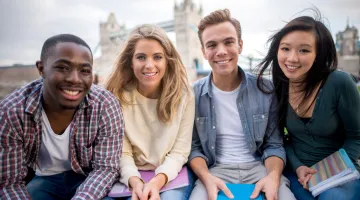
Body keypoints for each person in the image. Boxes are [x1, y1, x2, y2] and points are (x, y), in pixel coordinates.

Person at [0, 34, 124, 200]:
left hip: (88, 178)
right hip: (43, 180)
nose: (74, 79)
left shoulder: (105, 104)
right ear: (41, 68)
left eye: (85, 71)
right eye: (63, 68)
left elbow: (106, 168)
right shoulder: (12, 111)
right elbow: (10, 182)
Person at [189, 9, 295, 200]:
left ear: (240, 45)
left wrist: (273, 177)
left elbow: (274, 145)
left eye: (228, 42)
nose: (221, 51)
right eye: (212, 45)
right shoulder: (192, 95)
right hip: (214, 170)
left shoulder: (266, 89)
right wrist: (206, 178)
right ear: (204, 52)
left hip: (259, 167)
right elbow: (194, 147)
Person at [257, 12, 360, 200]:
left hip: (340, 174)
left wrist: (333, 171)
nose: (292, 58)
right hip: (297, 173)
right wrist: (298, 167)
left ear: (318, 54)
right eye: (285, 48)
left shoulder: (340, 83)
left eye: (304, 50)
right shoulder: (280, 85)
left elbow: (356, 137)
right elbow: (280, 140)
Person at [105, 24, 195, 200]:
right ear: (130, 62)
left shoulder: (184, 95)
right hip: (130, 174)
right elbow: (123, 153)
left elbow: (180, 152)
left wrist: (156, 183)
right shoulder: (117, 96)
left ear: (167, 60)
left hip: (171, 174)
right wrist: (135, 182)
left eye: (157, 57)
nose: (149, 65)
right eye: (141, 57)